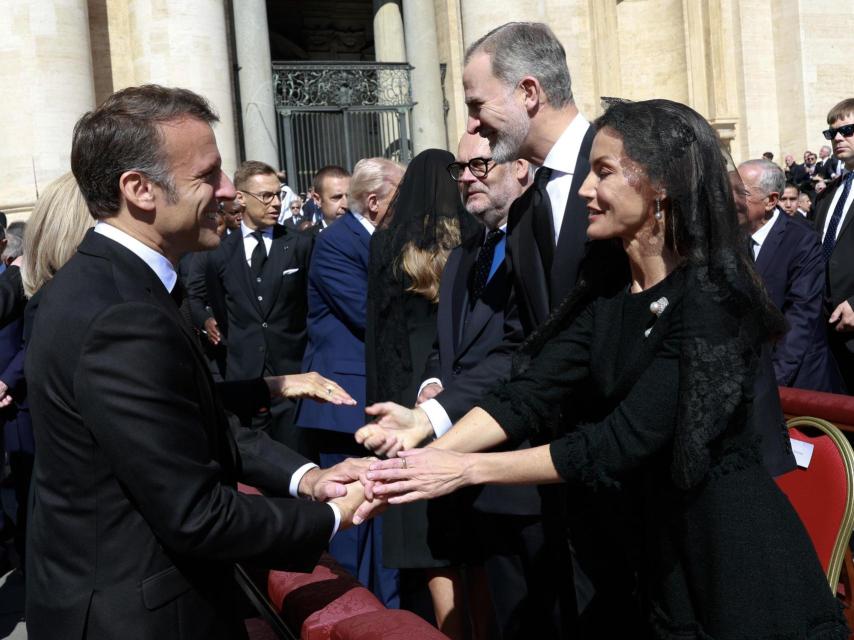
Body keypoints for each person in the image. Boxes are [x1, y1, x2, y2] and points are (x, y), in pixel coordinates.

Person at [361, 99, 848, 639]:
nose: (585, 191)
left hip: (729, 566)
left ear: (660, 185)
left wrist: (467, 469)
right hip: (644, 555)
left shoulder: (714, 300)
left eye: (604, 172)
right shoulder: (609, 289)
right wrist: (421, 451)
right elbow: (530, 390)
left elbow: (620, 441)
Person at [25, 85, 368, 640]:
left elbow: (192, 418)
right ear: (139, 190)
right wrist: (334, 515)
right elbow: (197, 512)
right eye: (208, 175)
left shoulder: (120, 285)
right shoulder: (121, 314)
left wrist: (308, 480)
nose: (229, 191)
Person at [364, 149, 480, 635]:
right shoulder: (471, 239)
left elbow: (377, 330)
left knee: (422, 532)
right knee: (467, 527)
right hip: (456, 388)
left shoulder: (389, 244)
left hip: (404, 390)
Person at [295, 157, 404, 606]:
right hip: (344, 401)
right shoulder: (337, 243)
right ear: (374, 200)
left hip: (377, 401)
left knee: (378, 513)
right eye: (402, 195)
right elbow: (370, 315)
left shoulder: (383, 237)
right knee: (347, 523)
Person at [186, 160, 315, 452]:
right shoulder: (218, 253)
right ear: (240, 198)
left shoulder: (299, 244)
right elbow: (213, 302)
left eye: (279, 195)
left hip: (292, 376)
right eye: (266, 196)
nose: (276, 204)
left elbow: (310, 305)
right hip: (242, 377)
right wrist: (209, 322)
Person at [739, 159, 840, 392]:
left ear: (771, 200)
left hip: (794, 380)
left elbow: (801, 316)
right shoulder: (732, 237)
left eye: (740, 192)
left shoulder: (802, 240)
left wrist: (772, 385)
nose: (729, 199)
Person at [814, 98, 854, 393]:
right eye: (832, 133)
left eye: (848, 130)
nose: (838, 137)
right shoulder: (829, 194)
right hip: (826, 333)